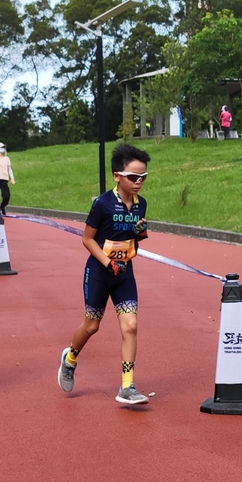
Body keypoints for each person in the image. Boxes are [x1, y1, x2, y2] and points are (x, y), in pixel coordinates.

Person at [58, 143, 151, 405]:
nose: (139, 182)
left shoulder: (141, 204)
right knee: (92, 325)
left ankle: (127, 386)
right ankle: (70, 359)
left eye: (143, 177)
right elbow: (87, 239)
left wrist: (140, 233)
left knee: (131, 326)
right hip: (99, 273)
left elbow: (133, 239)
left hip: (124, 274)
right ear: (117, 176)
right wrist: (108, 263)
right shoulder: (102, 203)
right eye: (133, 177)